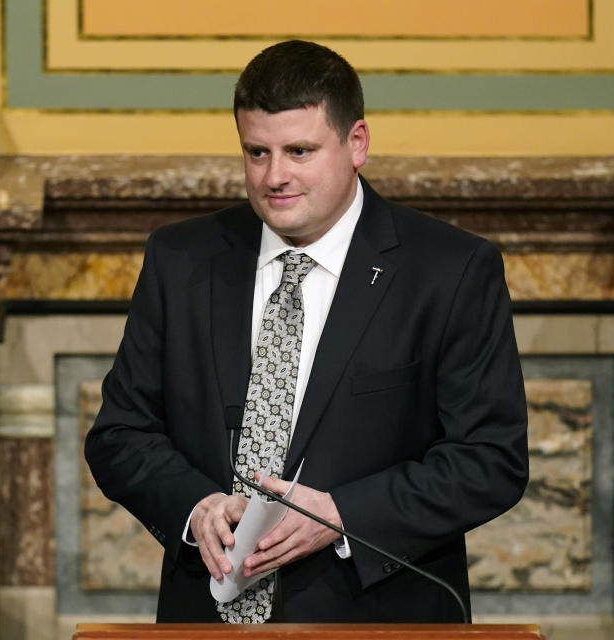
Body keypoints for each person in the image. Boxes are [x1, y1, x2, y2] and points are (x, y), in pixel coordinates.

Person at [85, 39, 528, 623]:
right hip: (203, 620)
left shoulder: (449, 271)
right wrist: (195, 506)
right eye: (257, 152)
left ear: (357, 143)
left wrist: (342, 513)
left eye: (299, 150)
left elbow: (491, 459)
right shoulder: (182, 260)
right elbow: (119, 434)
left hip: (376, 619)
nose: (275, 176)